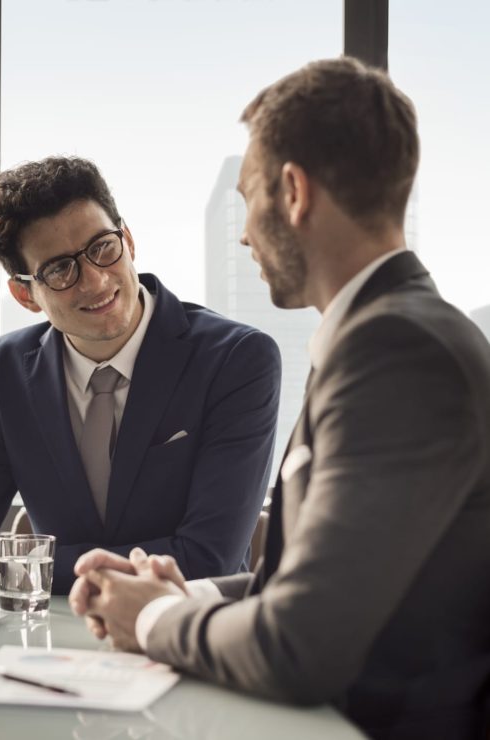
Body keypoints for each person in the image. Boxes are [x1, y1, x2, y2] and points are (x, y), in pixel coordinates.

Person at [70, 58, 490, 740]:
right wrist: (185, 595)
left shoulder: (395, 349)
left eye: (248, 199)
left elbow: (301, 644)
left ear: (293, 192)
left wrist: (149, 620)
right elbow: (320, 581)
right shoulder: (388, 332)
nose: (242, 233)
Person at [0, 156, 281, 598]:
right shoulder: (6, 368)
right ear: (24, 294)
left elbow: (210, 557)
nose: (94, 281)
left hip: (187, 633)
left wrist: (30, 568)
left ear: (128, 241)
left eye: (103, 247)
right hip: (48, 646)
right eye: (58, 269)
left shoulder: (236, 359)